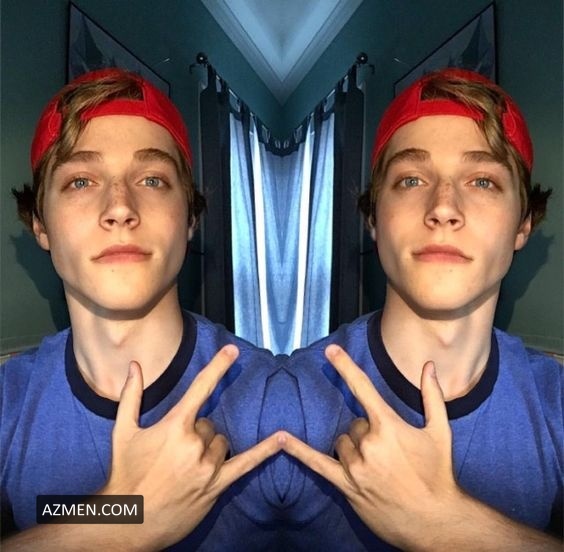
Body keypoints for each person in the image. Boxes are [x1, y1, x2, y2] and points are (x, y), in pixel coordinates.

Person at [0, 68, 287, 551]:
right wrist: (122, 517)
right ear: (40, 224)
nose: (120, 207)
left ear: (190, 218)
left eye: (152, 179)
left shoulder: (272, 399)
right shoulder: (9, 401)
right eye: (80, 181)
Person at [282, 68, 562, 550]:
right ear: (374, 218)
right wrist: (132, 514)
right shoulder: (290, 396)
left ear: (523, 224)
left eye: (482, 181)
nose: (443, 207)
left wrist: (448, 524)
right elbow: (135, 509)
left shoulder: (554, 401)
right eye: (411, 179)